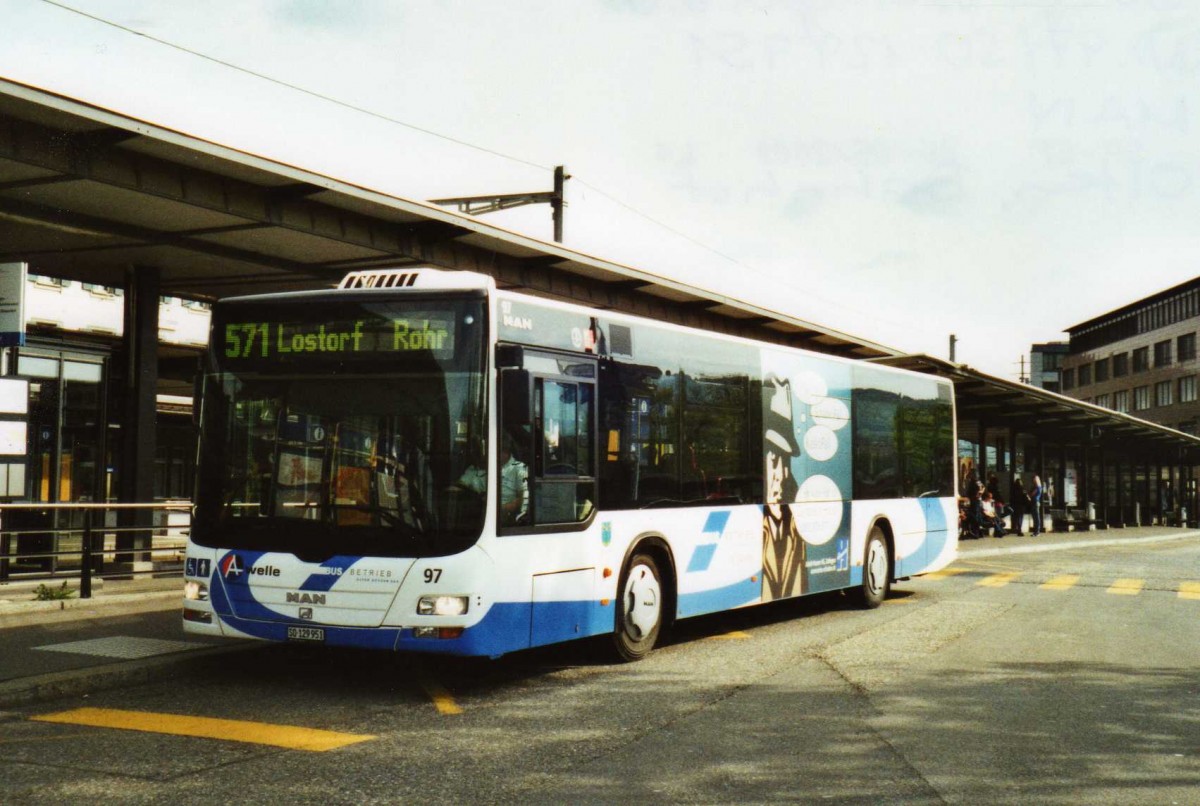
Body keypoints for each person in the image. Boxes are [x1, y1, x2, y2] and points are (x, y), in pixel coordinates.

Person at [762, 376, 806, 600]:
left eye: (784, 460)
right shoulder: (759, 525)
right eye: (773, 460)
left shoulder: (797, 530)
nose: (779, 474)